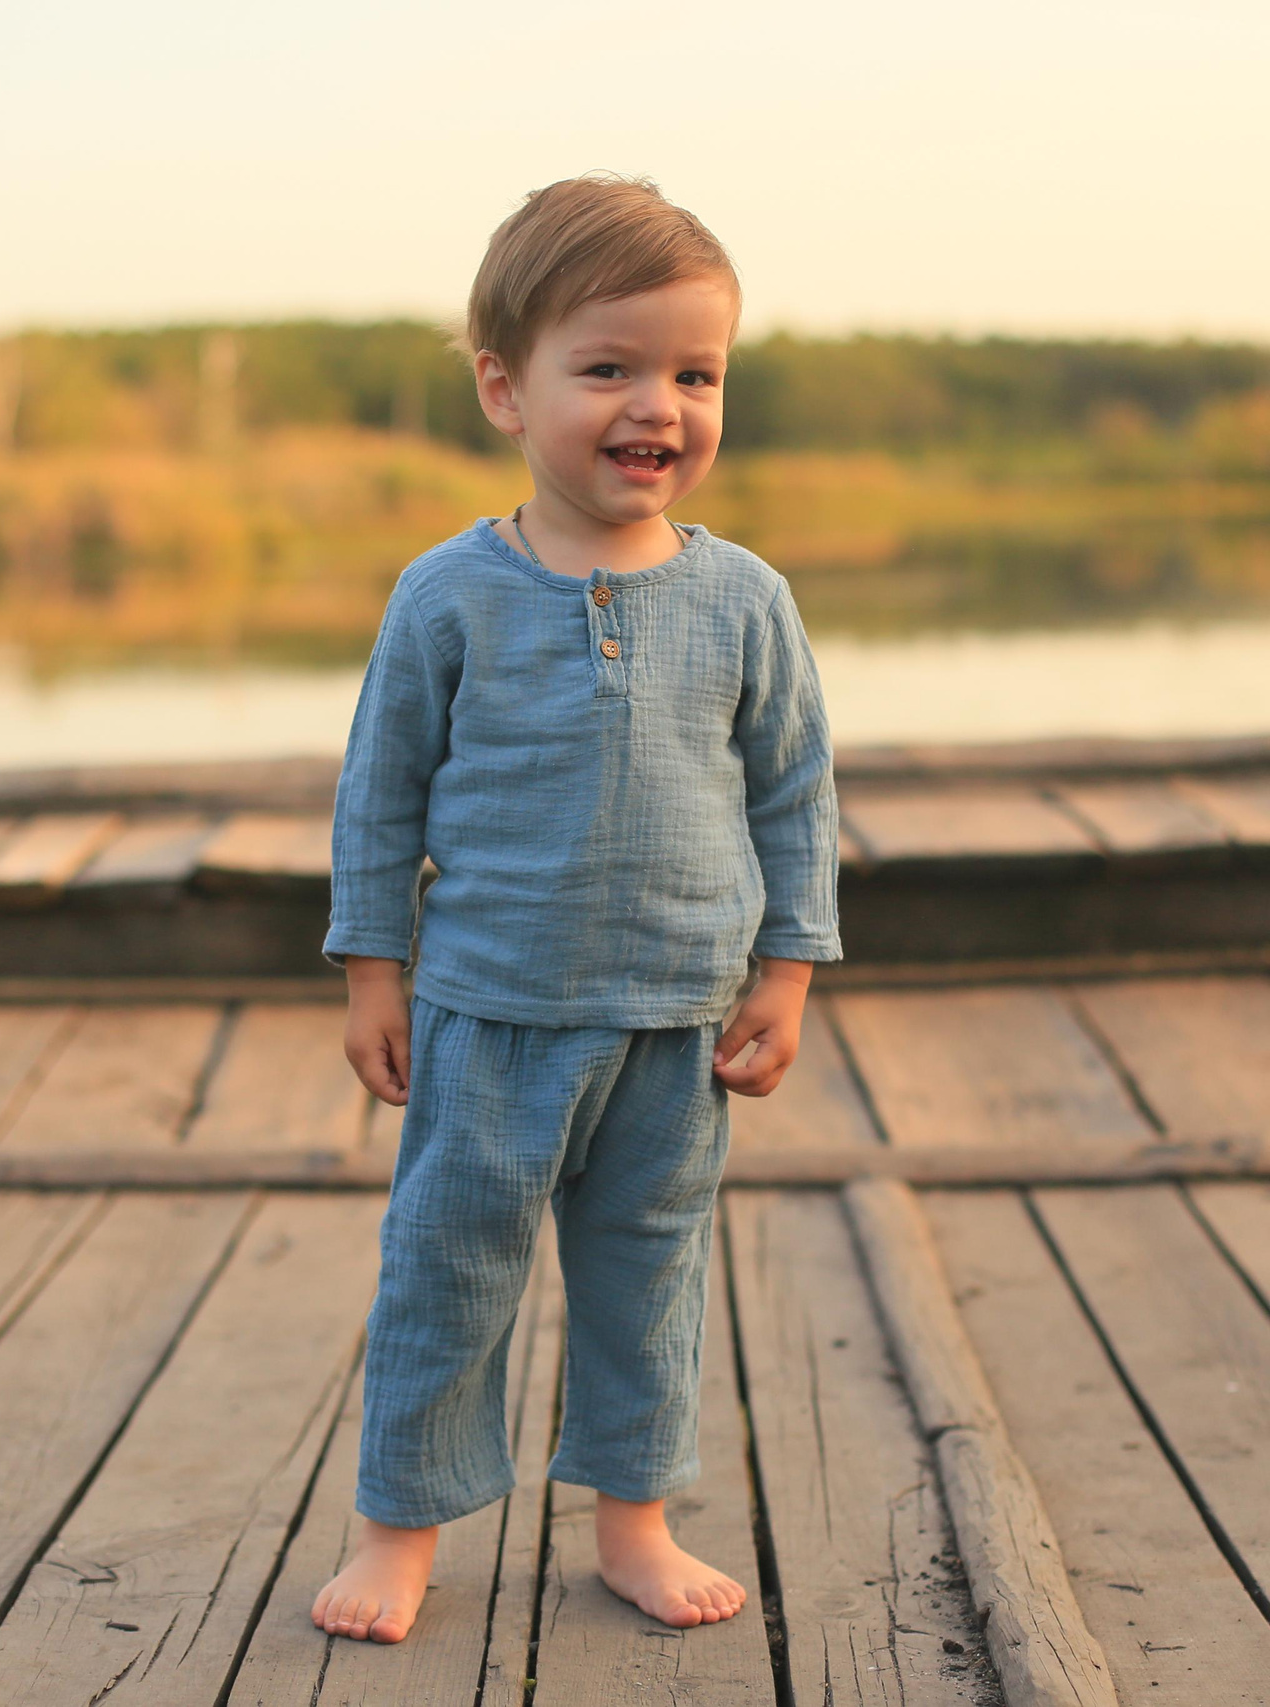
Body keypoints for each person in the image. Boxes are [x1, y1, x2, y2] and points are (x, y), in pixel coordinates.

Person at [312, 174, 840, 1645]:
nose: (653, 405)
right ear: (505, 386)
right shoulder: (448, 596)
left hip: (675, 1021)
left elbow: (795, 794)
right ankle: (397, 1527)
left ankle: (634, 1522)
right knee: (448, 1267)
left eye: (693, 373)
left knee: (647, 1281)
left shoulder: (746, 603)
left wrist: (786, 972)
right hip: (491, 1013)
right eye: (606, 367)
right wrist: (375, 969)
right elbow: (380, 795)